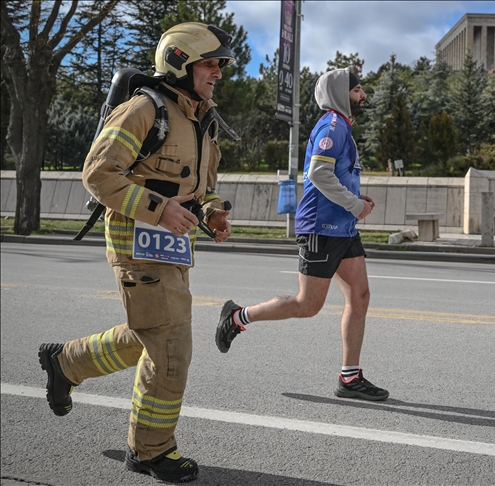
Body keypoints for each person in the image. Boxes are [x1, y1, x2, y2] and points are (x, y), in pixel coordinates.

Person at [37, 22, 235, 482]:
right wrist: (159, 210)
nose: (217, 73)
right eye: (209, 63)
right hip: (136, 242)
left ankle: (66, 363)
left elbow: (200, 188)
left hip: (174, 247)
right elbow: (98, 174)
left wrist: (212, 213)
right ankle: (150, 450)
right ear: (179, 63)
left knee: (153, 332)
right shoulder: (145, 109)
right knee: (170, 345)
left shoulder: (202, 120)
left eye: (219, 64)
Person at [215, 68, 389, 401]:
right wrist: (355, 205)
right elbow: (319, 174)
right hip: (322, 228)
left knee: (360, 296)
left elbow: (333, 176)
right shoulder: (332, 126)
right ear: (340, 93)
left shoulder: (342, 127)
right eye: (357, 90)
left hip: (342, 228)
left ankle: (350, 377)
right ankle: (237, 317)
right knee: (307, 305)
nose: (363, 95)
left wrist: (356, 199)